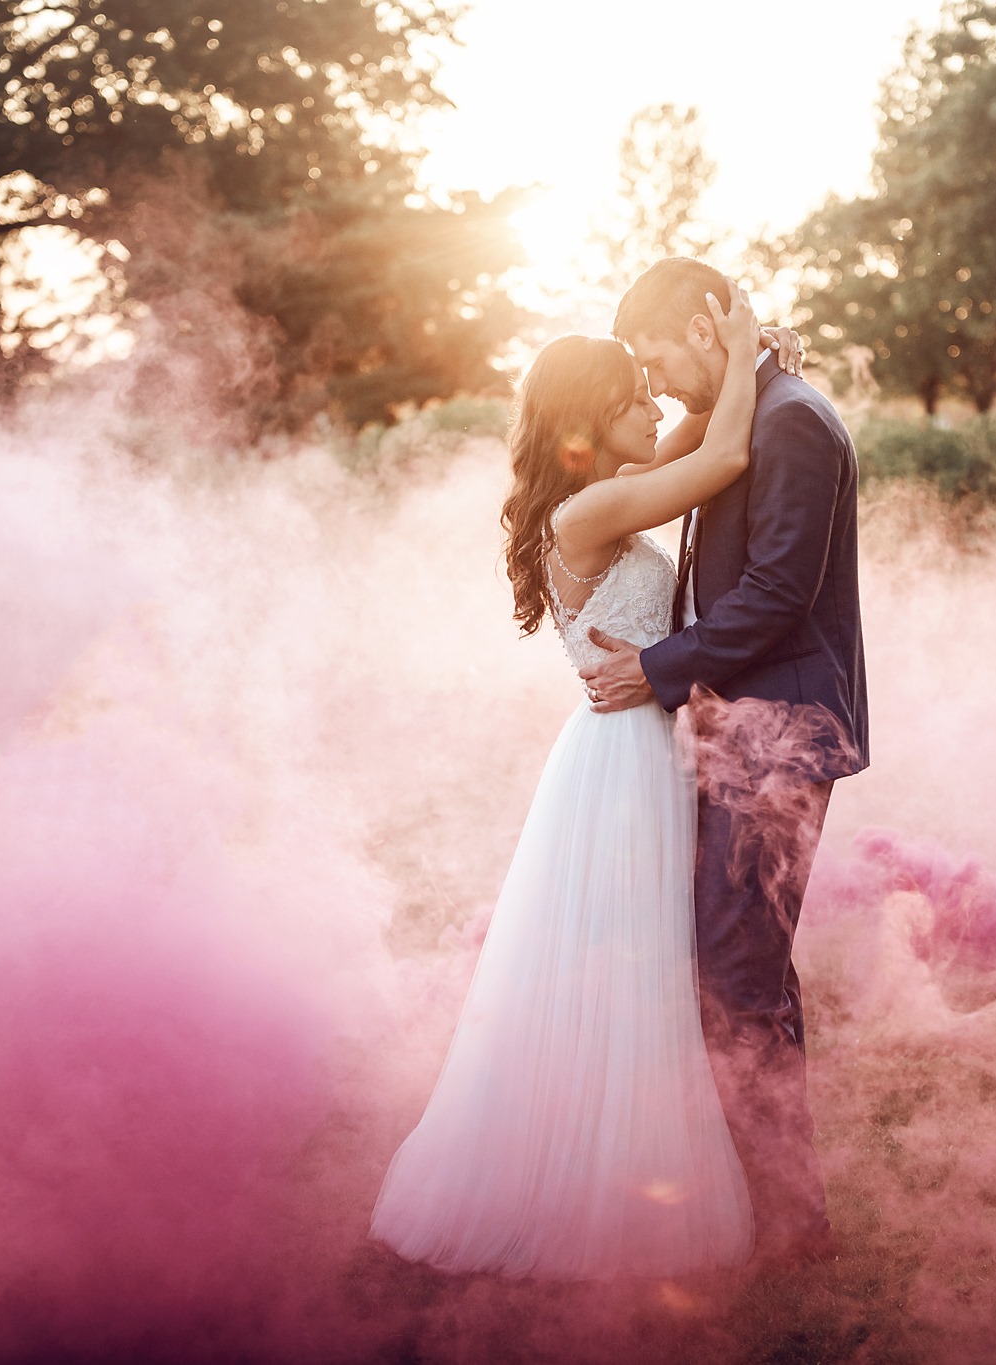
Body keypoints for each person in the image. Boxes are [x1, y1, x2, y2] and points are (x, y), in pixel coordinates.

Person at [369, 281, 806, 1279]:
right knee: (634, 958)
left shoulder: (595, 497)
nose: (656, 406)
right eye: (636, 398)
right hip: (624, 757)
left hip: (629, 744)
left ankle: (616, 1160)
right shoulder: (596, 505)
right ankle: (597, 1186)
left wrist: (728, 370)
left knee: (638, 956)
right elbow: (727, 454)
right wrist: (741, 351)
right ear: (591, 420)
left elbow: (700, 438)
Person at [580, 257, 869, 1266]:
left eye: (655, 351)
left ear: (703, 326)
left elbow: (778, 593)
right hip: (745, 728)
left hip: (778, 731)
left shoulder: (789, 420)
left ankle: (790, 1231)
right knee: (750, 969)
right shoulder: (750, 411)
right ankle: (783, 1214)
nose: (652, 380)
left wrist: (652, 671)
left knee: (732, 982)